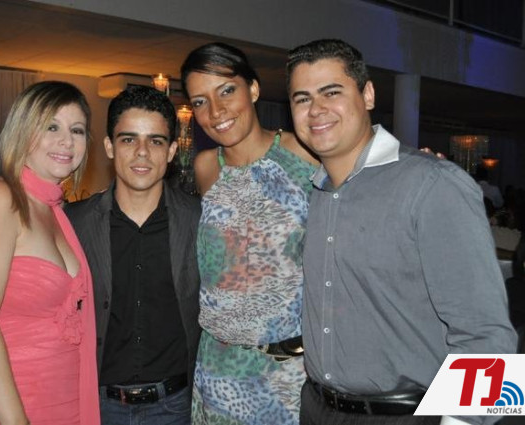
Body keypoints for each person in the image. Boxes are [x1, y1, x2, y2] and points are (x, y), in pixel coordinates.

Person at [286, 38, 517, 425]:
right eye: (302, 98)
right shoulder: (316, 193)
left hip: (410, 414)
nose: (316, 109)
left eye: (332, 92)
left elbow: (489, 333)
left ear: (368, 94)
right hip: (317, 408)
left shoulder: (433, 183)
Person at [0, 81, 100, 424]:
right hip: (3, 403)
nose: (66, 141)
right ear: (23, 131)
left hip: (61, 397)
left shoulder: (56, 211)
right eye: (51, 127)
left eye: (76, 130)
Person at [180, 42, 319, 425]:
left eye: (226, 90)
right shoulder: (206, 167)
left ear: (253, 89)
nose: (216, 111)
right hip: (217, 370)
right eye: (200, 101)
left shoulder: (304, 152)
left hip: (288, 376)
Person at [64, 85, 201, 425]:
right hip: (96, 405)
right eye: (128, 139)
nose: (142, 152)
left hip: (176, 406)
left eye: (155, 141)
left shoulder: (200, 220)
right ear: (109, 147)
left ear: (172, 151)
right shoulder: (74, 222)